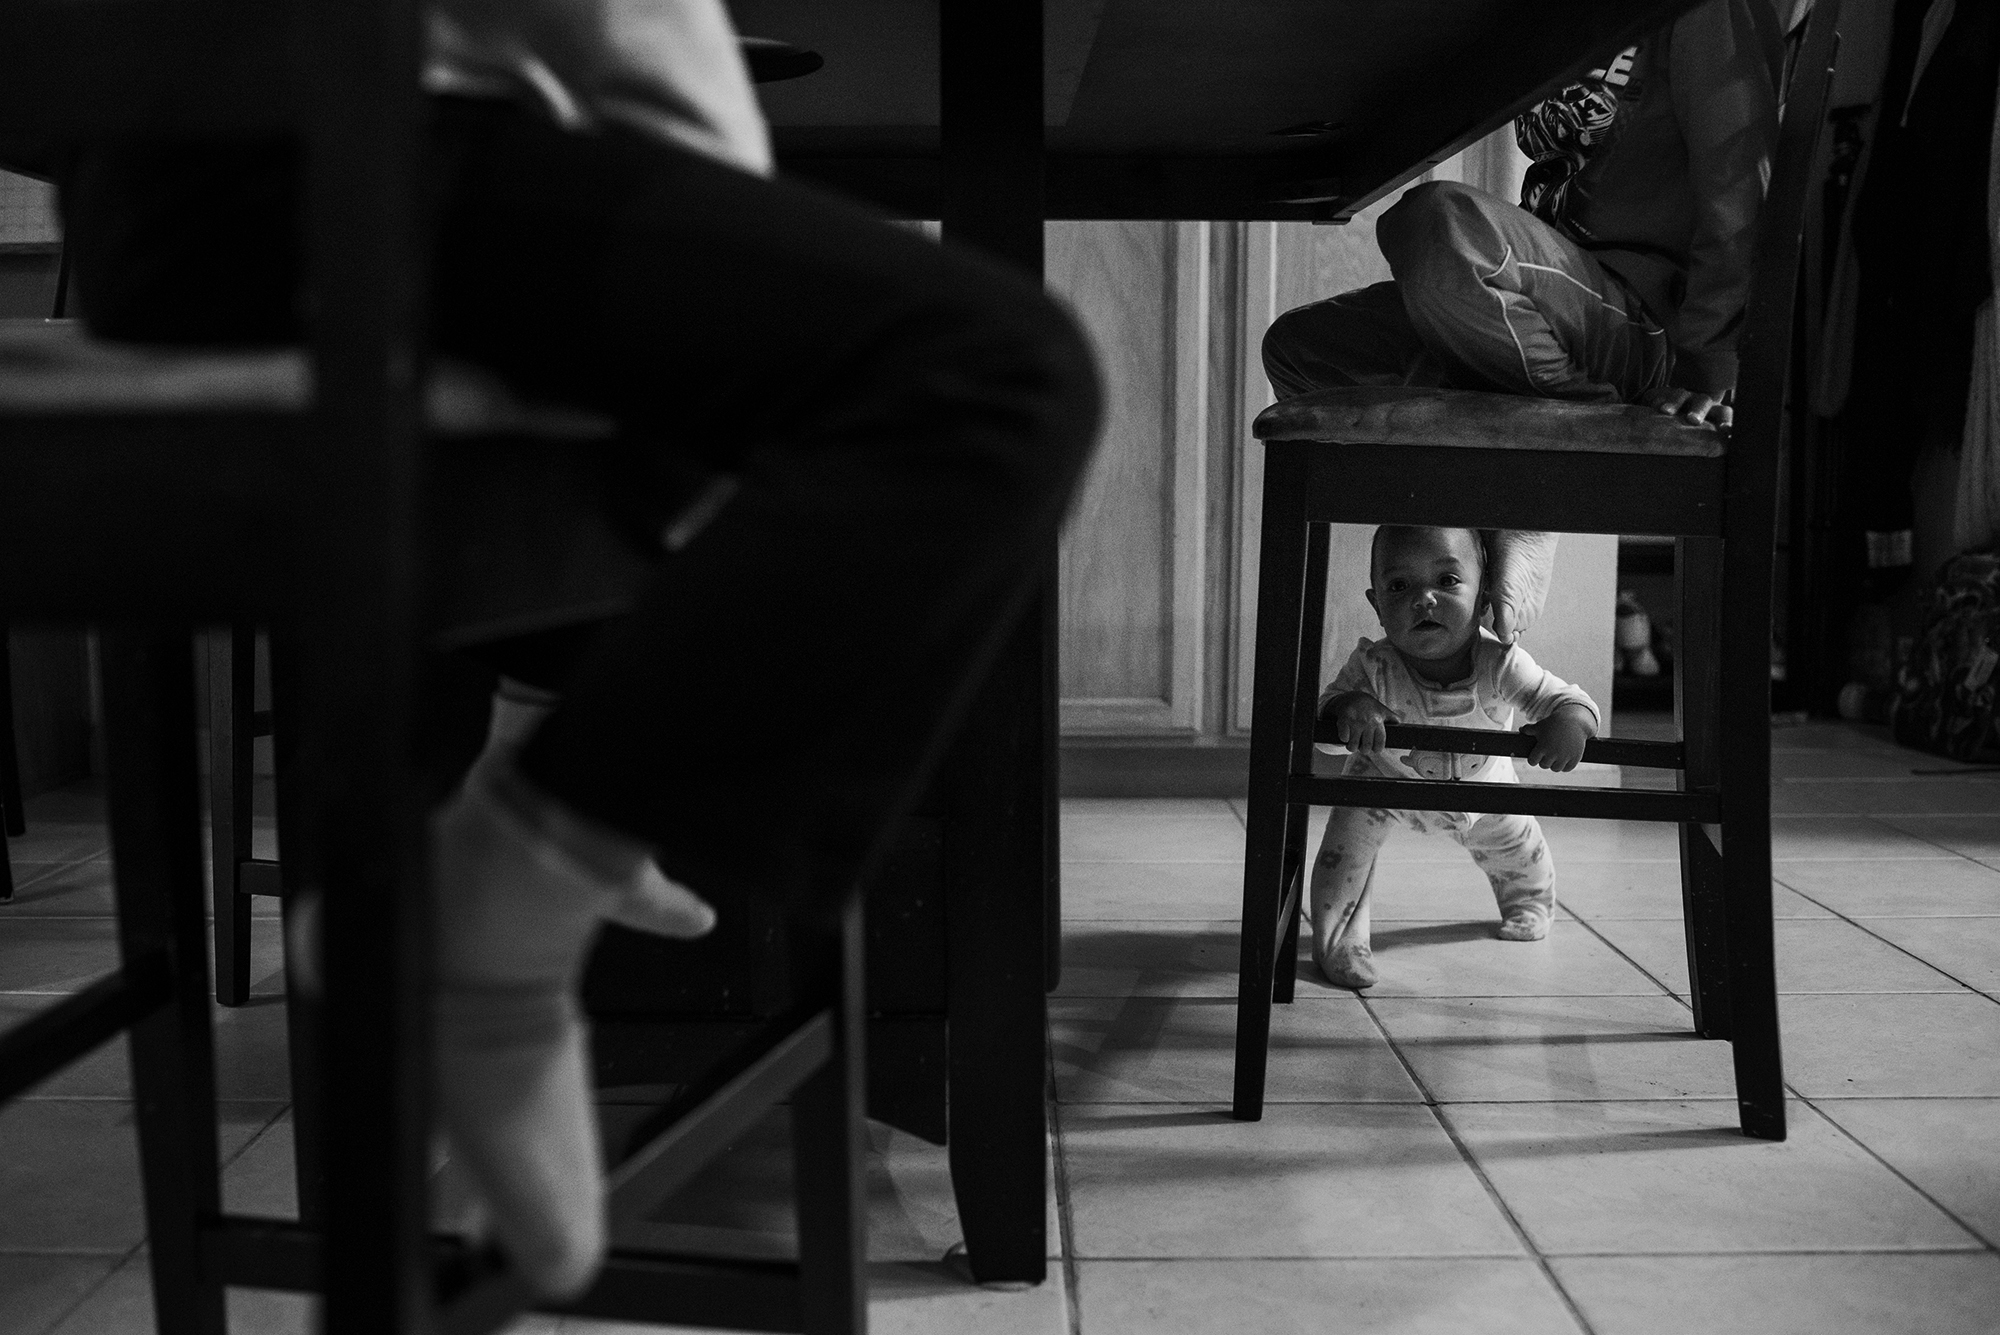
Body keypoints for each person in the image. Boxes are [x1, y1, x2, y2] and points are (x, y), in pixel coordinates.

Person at [55, 0, 1101, 1300]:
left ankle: (538, 753)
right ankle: (507, 910)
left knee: (695, 353)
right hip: (332, 164)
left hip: (165, 189)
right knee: (994, 378)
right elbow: (632, 34)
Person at [1262, 0, 1790, 644]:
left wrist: (1711, 363)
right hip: (1545, 308)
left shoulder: (1705, 8)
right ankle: (1485, 525)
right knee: (1301, 349)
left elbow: (1742, 184)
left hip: (1640, 323)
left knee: (1438, 223)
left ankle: (1545, 480)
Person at [1311, 526, 1599, 990]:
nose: (1423, 599)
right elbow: (1322, 737)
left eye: (1446, 581)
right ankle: (1341, 940)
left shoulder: (1500, 661)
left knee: (1520, 849)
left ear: (1483, 594)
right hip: (1383, 783)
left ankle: (1529, 903)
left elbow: (1564, 697)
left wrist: (1571, 721)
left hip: (1485, 788)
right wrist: (1347, 710)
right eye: (1400, 587)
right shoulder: (1373, 666)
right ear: (1376, 605)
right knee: (1343, 855)